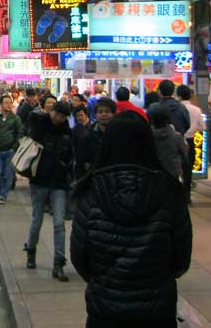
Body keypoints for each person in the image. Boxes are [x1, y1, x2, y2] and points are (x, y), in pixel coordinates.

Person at [71, 111, 192, 328]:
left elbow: (80, 257)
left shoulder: (90, 191)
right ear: (148, 142)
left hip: (105, 309)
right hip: (157, 310)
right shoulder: (170, 190)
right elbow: (182, 258)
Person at [24, 101, 73, 281]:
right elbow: (31, 130)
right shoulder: (40, 123)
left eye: (63, 116)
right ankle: (31, 250)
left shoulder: (67, 132)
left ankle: (58, 263)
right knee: (37, 219)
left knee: (59, 223)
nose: (59, 118)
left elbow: (70, 156)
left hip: (59, 183)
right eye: (57, 114)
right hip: (39, 181)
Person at [177, 84, 204, 203]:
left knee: (176, 169)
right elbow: (202, 127)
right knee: (188, 171)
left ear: (179, 96)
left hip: (178, 140)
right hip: (191, 141)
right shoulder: (197, 110)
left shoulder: (176, 108)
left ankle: (177, 194)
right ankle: (187, 196)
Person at [149, 106, 188, 180]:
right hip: (173, 171)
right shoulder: (176, 136)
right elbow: (184, 153)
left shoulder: (148, 136)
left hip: (153, 172)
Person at [72, 106, 92, 181]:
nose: (79, 118)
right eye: (77, 116)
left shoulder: (93, 126)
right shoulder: (75, 129)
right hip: (79, 161)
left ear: (86, 115)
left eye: (81, 115)